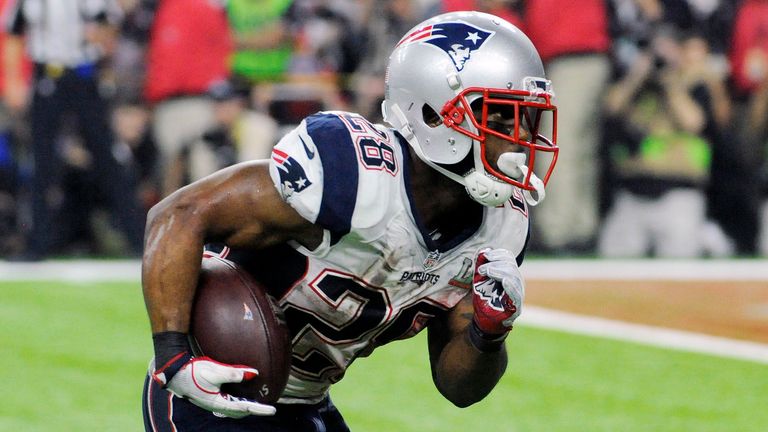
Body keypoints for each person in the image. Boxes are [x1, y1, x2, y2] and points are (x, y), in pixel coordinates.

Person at [141, 11, 559, 431]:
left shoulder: (501, 226)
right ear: (433, 116)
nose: (518, 138)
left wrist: (489, 333)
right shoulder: (350, 172)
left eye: (524, 118)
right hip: (211, 387)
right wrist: (174, 356)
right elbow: (179, 213)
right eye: (500, 117)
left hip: (306, 404)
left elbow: (458, 388)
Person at [3, 0, 145, 260]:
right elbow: (13, 31)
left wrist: (102, 39)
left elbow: (111, 22)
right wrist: (13, 79)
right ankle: (37, 244)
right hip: (48, 76)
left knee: (108, 158)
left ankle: (137, 238)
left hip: (84, 75)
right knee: (42, 163)